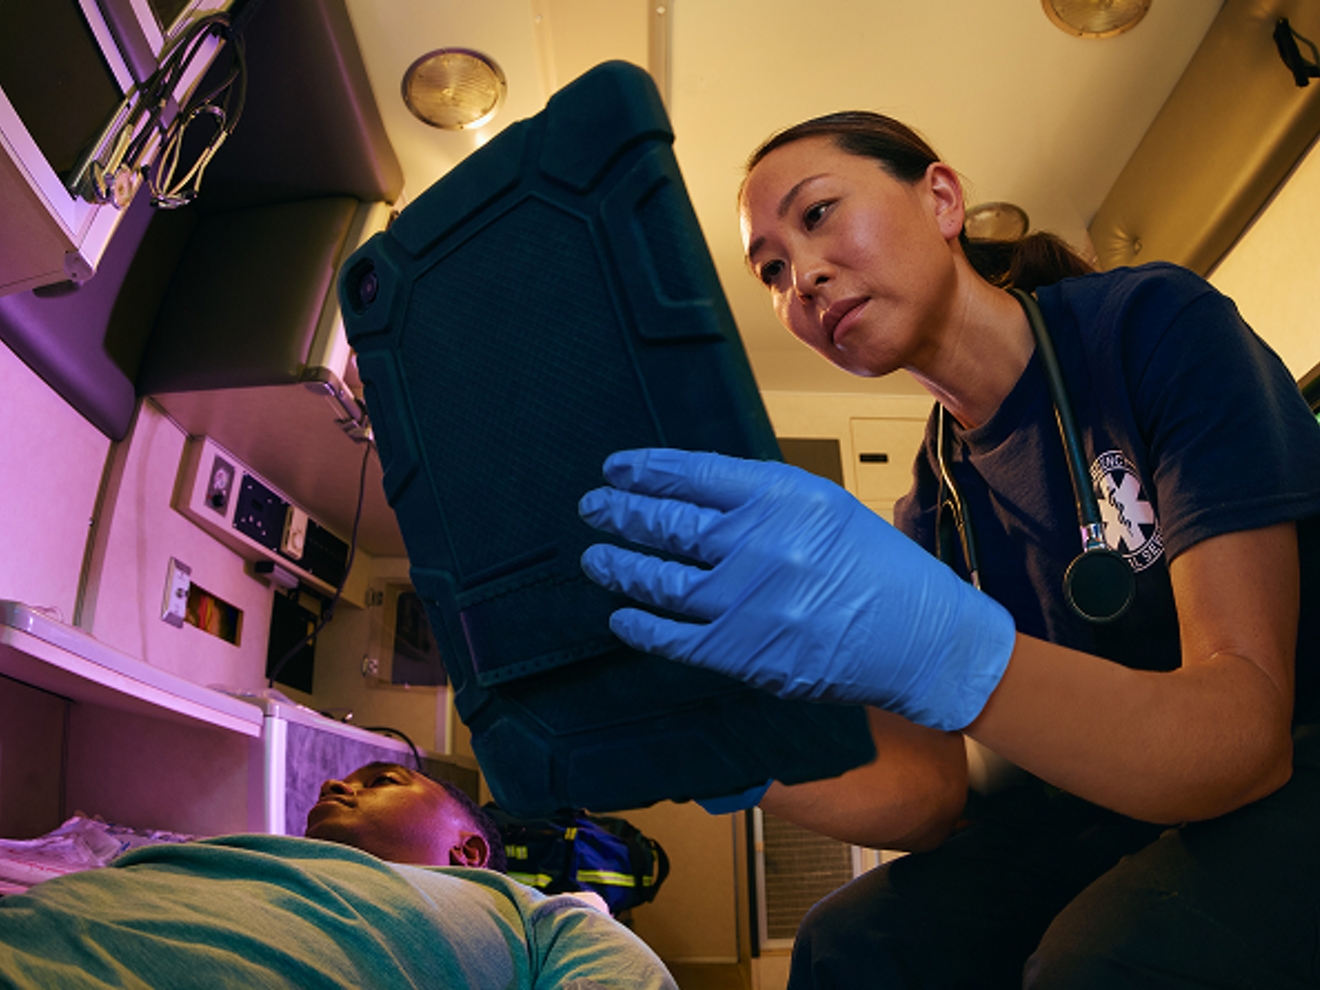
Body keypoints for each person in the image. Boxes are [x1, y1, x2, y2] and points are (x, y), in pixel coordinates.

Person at [576, 110, 1320, 988]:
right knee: (850, 945)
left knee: (1102, 963)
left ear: (941, 199)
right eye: (770, 271)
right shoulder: (934, 504)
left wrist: (949, 650)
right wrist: (720, 755)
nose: (801, 278)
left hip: (1290, 767)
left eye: (816, 215)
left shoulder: (1150, 330)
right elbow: (926, 796)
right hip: (1115, 813)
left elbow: (1244, 735)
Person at [0, 761, 676, 989]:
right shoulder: (249, 858)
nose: (329, 781)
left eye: (379, 780)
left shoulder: (531, 914)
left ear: (467, 854)